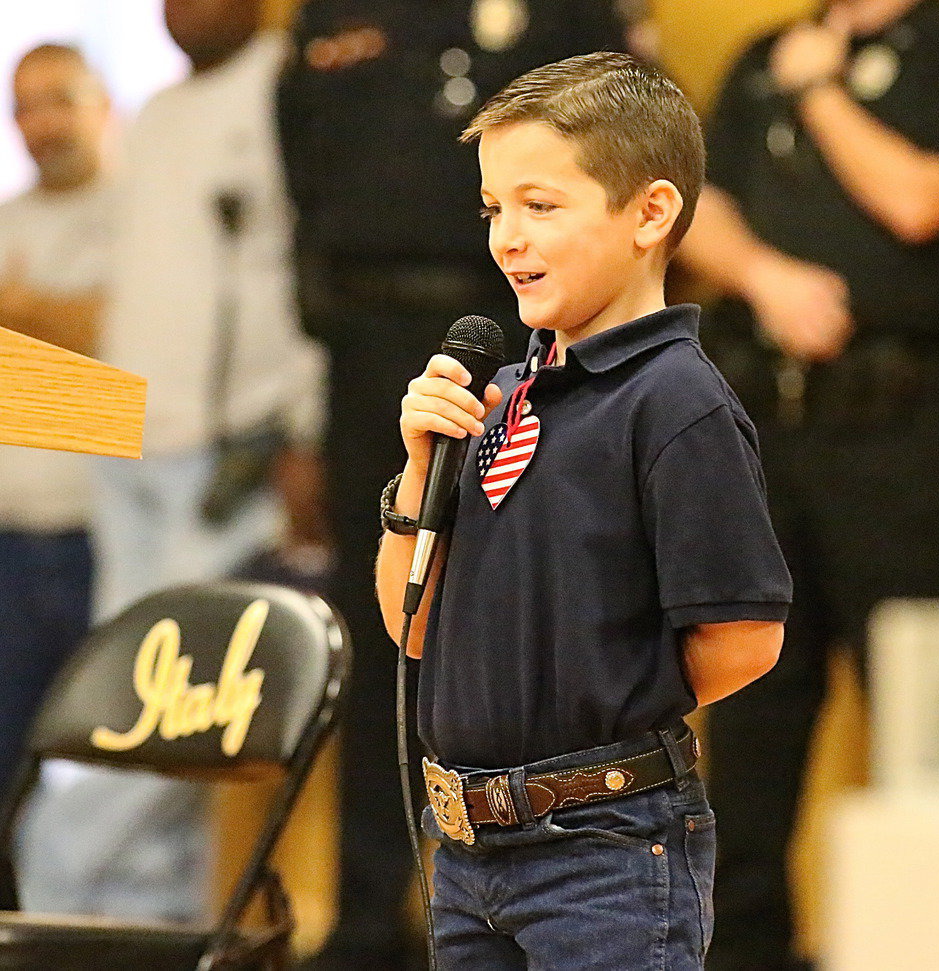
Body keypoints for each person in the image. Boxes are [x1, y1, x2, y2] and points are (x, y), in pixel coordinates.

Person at [375, 52, 792, 969]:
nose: (507, 238)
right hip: (469, 851)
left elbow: (745, 637)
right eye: (494, 210)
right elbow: (411, 628)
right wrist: (416, 474)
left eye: (541, 206)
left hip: (604, 848)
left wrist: (597, 712)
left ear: (650, 213)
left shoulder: (675, 400)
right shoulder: (504, 394)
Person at [276, 4, 626, 966]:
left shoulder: (576, 13)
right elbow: (302, 167)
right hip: (370, 339)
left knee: (523, 619)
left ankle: (528, 905)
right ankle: (363, 910)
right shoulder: (341, 12)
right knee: (378, 618)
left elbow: (610, 168)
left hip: (524, 337)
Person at [675, 1, 939, 967]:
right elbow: (690, 203)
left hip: (902, 439)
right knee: (748, 713)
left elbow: (922, 201)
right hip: (763, 435)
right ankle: (742, 945)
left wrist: (820, 89)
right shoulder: (761, 55)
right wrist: (766, 276)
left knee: (924, 709)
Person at [18, 0, 326, 923]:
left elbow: (308, 269)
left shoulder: (286, 87)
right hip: (132, 459)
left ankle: (55, 910)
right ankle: (153, 935)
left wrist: (304, 432)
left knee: (147, 727)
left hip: (229, 462)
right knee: (160, 736)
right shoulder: (158, 115)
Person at [0, 43, 111, 796]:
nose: (42, 123)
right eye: (23, 106)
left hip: (108, 535)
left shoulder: (144, 212)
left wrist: (20, 316)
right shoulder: (7, 221)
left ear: (103, 104)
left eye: (59, 99)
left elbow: (137, 357)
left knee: (113, 765)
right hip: (10, 538)